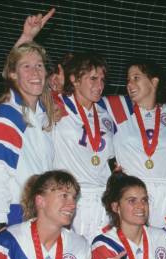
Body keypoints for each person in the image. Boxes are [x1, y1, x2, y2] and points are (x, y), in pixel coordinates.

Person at [0, 41, 56, 230]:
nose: (35, 72)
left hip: (43, 211)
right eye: (27, 66)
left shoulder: (43, 115)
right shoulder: (8, 114)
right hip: (16, 214)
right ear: (13, 75)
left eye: (39, 66)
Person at [105, 60, 166, 229]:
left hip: (165, 193)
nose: (130, 84)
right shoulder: (118, 107)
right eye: (128, 79)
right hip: (132, 193)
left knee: (165, 249)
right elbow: (83, 100)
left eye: (136, 78)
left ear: (154, 81)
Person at [54, 52, 116, 242]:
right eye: (93, 79)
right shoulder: (56, 105)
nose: (100, 86)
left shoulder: (105, 114)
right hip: (72, 197)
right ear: (74, 79)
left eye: (102, 80)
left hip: (102, 197)